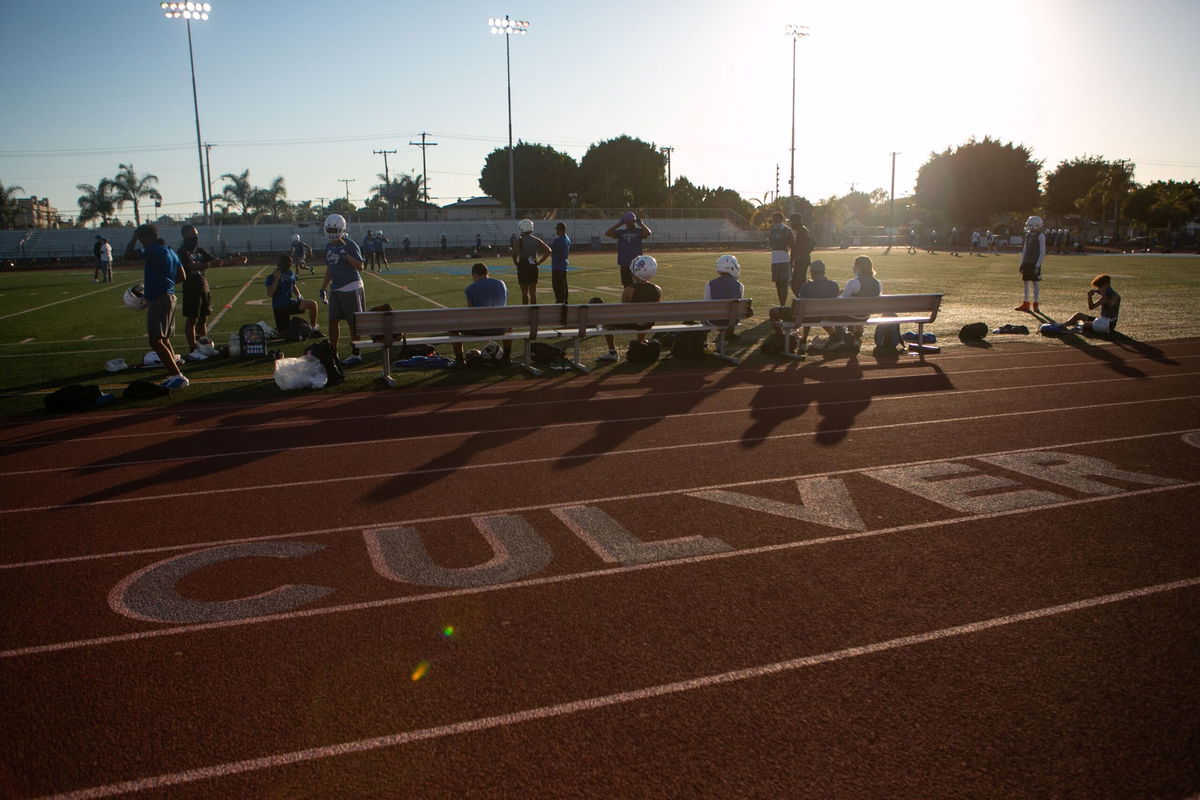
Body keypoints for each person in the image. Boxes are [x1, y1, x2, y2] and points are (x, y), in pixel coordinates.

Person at [124, 223, 188, 389]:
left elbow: (128, 255)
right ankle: (174, 371)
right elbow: (182, 275)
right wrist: (167, 284)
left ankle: (177, 376)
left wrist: (132, 238)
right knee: (163, 338)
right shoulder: (170, 250)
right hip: (170, 295)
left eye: (141, 238)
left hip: (160, 298)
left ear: (145, 237)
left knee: (155, 340)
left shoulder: (152, 249)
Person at [177, 224, 234, 358]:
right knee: (192, 318)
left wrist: (235, 261)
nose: (195, 238)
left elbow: (216, 261)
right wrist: (208, 264)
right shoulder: (182, 251)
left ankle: (204, 346)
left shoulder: (200, 250)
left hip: (203, 285)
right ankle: (193, 348)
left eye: (196, 235)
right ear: (185, 236)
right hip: (191, 287)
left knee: (203, 318)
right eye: (192, 235)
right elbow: (191, 266)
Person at [319, 213, 366, 366]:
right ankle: (334, 351)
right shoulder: (329, 246)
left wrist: (346, 256)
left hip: (351, 286)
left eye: (334, 229)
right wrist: (323, 287)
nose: (332, 233)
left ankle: (356, 353)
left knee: (353, 323)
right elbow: (330, 269)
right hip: (336, 288)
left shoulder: (350, 244)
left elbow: (360, 266)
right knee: (333, 320)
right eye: (330, 229)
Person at [598, 254, 662, 361]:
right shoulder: (658, 289)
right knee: (645, 317)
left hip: (631, 322)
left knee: (606, 321)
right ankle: (640, 342)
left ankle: (612, 352)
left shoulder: (629, 290)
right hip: (648, 323)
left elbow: (624, 310)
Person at [451, 262, 512, 367]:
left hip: (480, 328)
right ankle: (506, 358)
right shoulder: (502, 284)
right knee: (509, 326)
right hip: (501, 328)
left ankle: (460, 360)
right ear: (487, 273)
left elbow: (471, 313)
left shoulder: (471, 289)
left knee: (453, 329)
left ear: (475, 275)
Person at [795, 259, 843, 353]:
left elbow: (801, 306)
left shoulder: (806, 287)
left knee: (808, 313)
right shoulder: (833, 285)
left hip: (809, 316)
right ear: (823, 271)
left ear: (812, 272)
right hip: (828, 315)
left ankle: (803, 341)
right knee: (817, 313)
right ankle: (837, 338)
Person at [265, 254, 320, 333]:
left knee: (312, 304)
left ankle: (313, 327)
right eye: (288, 263)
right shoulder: (272, 276)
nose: (290, 265)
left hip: (290, 303)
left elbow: (293, 285)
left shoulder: (290, 273)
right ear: (282, 264)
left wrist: (298, 294)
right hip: (280, 307)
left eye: (290, 263)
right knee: (283, 332)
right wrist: (277, 279)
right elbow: (270, 293)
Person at [840, 254, 881, 343]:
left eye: (855, 265)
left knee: (829, 315)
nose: (853, 267)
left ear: (860, 267)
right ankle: (855, 338)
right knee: (856, 313)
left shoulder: (853, 282)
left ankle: (839, 338)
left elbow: (843, 301)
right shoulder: (878, 283)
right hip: (866, 315)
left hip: (853, 315)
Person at [605, 211, 652, 287]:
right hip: (624, 262)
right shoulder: (621, 232)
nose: (628, 224)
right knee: (626, 285)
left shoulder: (639, 231)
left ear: (634, 221)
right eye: (627, 222)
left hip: (636, 264)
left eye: (630, 222)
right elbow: (607, 233)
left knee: (638, 285)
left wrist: (642, 225)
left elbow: (648, 233)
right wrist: (619, 224)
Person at [511, 219, 551, 305]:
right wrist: (539, 262)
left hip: (523, 265)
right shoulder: (536, 240)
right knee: (533, 292)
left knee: (524, 292)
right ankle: (534, 311)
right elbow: (548, 251)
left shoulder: (519, 240)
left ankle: (525, 311)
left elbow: (514, 254)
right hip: (533, 263)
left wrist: (516, 263)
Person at [704, 254, 744, 340]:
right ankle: (729, 334)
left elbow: (706, 304)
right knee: (733, 311)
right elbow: (737, 307)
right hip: (732, 321)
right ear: (732, 267)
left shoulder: (709, 284)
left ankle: (703, 341)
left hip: (714, 320)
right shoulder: (739, 286)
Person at [1015, 215, 1046, 312]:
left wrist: (1037, 265)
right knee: (1026, 283)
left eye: (1030, 225)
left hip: (1034, 262)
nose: (1028, 227)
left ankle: (1036, 304)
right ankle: (1026, 302)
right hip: (1027, 262)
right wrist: (1021, 263)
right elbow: (1024, 251)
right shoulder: (1027, 236)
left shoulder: (1040, 236)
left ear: (1036, 225)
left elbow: (1042, 252)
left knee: (1035, 283)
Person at [765, 211, 795, 306]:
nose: (774, 221)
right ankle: (781, 303)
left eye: (776, 219)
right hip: (774, 260)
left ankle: (783, 304)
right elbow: (771, 243)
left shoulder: (787, 231)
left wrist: (791, 260)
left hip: (783, 259)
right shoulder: (772, 231)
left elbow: (793, 246)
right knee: (778, 283)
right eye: (773, 219)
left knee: (784, 282)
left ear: (781, 219)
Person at [788, 213, 816, 297]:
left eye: (792, 222)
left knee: (796, 283)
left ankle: (801, 299)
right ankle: (801, 298)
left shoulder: (802, 231)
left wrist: (803, 254)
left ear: (797, 221)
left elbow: (812, 243)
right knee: (798, 282)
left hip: (801, 260)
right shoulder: (801, 231)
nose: (791, 224)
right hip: (801, 259)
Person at [550, 222, 571, 304]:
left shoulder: (558, 240)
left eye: (557, 229)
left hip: (557, 266)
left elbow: (551, 251)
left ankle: (559, 302)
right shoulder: (567, 238)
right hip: (563, 265)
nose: (556, 231)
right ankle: (565, 301)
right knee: (564, 285)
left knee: (557, 286)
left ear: (560, 230)